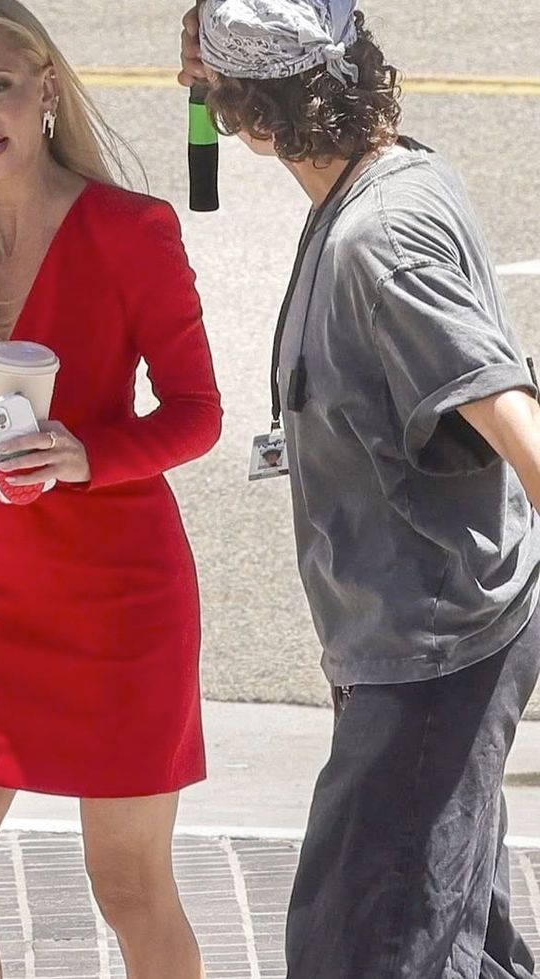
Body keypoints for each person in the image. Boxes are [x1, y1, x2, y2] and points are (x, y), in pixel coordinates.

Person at [180, 2, 540, 977]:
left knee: (364, 948)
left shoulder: (378, 242)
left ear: (251, 115)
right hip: (414, 641)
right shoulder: (396, 175)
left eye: (202, 89)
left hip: (433, 657)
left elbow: (512, 416)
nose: (190, 101)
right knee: (454, 933)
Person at [0, 1, 223, 976]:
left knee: (127, 885)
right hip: (1, 593)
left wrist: (86, 455)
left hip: (125, 599)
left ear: (44, 91)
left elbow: (197, 411)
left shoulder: (128, 230)